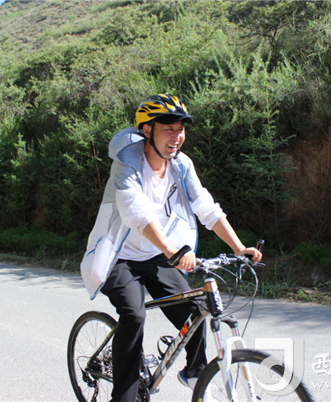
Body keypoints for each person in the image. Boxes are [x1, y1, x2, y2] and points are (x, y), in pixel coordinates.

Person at [80, 93, 262, 402]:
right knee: (134, 315)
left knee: (196, 311)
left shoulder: (181, 165)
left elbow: (206, 208)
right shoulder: (127, 163)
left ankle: (195, 372)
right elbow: (136, 212)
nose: (176, 136)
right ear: (147, 130)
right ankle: (123, 397)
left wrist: (239, 247)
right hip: (119, 258)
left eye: (181, 129)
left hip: (157, 255)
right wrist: (172, 251)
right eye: (168, 129)